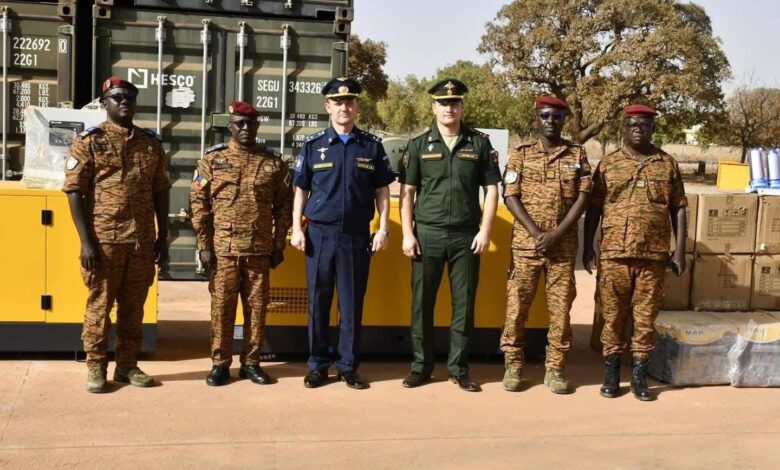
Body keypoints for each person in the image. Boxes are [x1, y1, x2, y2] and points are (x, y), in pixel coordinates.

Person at [63, 76, 171, 393]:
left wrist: (162, 235)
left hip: (140, 242)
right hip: (104, 242)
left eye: (129, 97)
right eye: (117, 97)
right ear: (105, 103)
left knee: (133, 309)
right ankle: (96, 367)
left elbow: (161, 190)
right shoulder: (89, 141)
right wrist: (86, 241)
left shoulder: (150, 143)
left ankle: (127, 366)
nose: (124, 102)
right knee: (99, 307)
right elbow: (74, 191)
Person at [290, 77, 394, 390]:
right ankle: (318, 365)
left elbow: (382, 190)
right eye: (337, 102)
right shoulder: (314, 145)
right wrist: (296, 228)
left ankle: (348, 367)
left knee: (351, 304)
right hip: (319, 235)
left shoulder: (371, 146)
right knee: (318, 302)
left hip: (355, 236)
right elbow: (300, 189)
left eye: (349, 102)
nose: (343, 108)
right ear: (328, 106)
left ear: (357, 106)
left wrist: (383, 227)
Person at [398, 78, 501, 392]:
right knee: (422, 306)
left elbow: (492, 190)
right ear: (434, 107)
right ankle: (421, 367)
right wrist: (407, 234)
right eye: (443, 103)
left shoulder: (479, 143)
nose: (449, 108)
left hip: (465, 237)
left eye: (454, 103)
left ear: (462, 106)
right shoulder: (418, 145)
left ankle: (459, 369)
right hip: (426, 235)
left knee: (464, 306)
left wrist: (485, 230)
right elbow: (407, 192)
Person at [583, 104, 687, 401]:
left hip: (653, 257)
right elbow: (594, 208)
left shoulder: (667, 164)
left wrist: (680, 250)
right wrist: (588, 246)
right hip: (614, 255)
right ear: (624, 128)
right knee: (613, 317)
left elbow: (679, 207)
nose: (637, 129)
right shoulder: (609, 163)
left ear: (652, 128)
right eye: (632, 125)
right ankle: (612, 375)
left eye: (643, 125)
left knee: (645, 318)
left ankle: (639, 378)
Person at [190, 101, 292, 386]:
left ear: (257, 126)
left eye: (251, 123)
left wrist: (278, 244)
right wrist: (204, 245)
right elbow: (198, 203)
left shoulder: (273, 163)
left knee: (256, 309)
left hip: (259, 250)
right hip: (223, 250)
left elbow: (284, 205)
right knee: (222, 308)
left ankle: (251, 363)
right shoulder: (212, 160)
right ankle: (220, 363)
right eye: (240, 123)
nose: (246, 128)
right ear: (230, 126)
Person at [500, 96, 592, 394]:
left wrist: (557, 233)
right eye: (545, 115)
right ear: (537, 119)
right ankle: (513, 366)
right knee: (517, 308)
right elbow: (510, 195)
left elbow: (584, 196)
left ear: (564, 120)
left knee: (561, 311)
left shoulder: (577, 154)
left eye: (556, 116)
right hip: (526, 246)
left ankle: (555, 369)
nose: (550, 121)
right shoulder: (521, 154)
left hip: (562, 249)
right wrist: (536, 232)